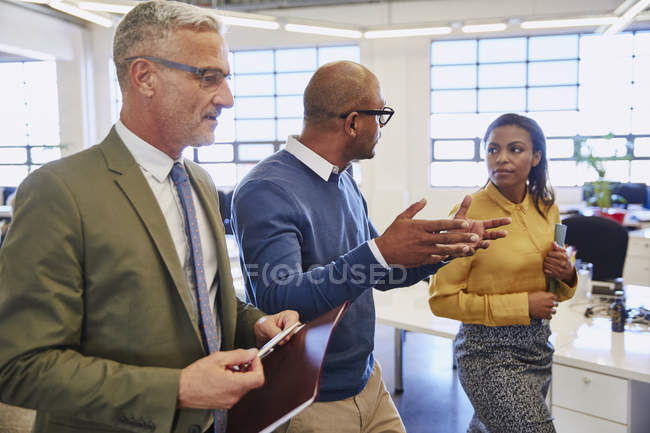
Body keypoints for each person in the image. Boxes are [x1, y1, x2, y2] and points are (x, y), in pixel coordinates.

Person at [0, 2, 298, 432]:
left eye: (226, 78)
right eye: (207, 76)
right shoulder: (59, 192)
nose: (227, 98)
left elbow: (204, 299)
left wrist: (254, 324)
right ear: (145, 77)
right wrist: (176, 388)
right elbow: (20, 367)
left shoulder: (198, 181)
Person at [231, 61, 511, 433]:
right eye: (380, 115)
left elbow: (381, 271)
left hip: (366, 380)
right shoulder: (265, 189)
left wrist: (445, 247)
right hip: (310, 400)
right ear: (352, 123)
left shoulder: (344, 181)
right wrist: (379, 251)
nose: (381, 127)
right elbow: (278, 296)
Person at [429, 113, 577, 433]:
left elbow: (553, 289)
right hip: (487, 354)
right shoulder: (469, 213)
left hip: (538, 347)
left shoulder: (546, 205)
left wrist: (567, 274)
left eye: (515, 149)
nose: (502, 158)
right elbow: (441, 300)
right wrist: (522, 305)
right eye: (493, 149)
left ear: (536, 157)